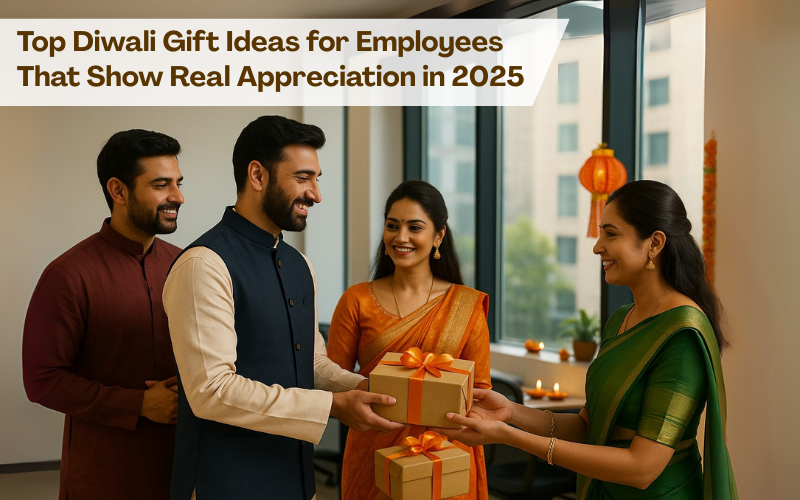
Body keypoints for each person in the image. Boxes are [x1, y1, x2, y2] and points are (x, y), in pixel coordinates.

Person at [438, 180, 738, 499]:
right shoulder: (621, 319)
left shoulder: (682, 333)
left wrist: (507, 436)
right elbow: (588, 426)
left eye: (611, 234)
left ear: (654, 243)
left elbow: (642, 469)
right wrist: (510, 412)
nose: (597, 247)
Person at [163, 115, 403, 500]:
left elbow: (311, 362)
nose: (316, 194)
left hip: (296, 480)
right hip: (223, 484)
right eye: (303, 178)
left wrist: (367, 389)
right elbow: (212, 390)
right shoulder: (203, 264)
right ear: (257, 175)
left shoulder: (300, 265)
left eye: (317, 179)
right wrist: (332, 406)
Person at [22, 129, 185, 500]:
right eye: (161, 184)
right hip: (104, 476)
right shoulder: (68, 275)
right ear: (118, 190)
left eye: (178, 183)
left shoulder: (185, 264)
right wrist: (139, 404)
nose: (178, 196)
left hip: (183, 471)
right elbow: (42, 380)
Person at [327, 180, 492, 500]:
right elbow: (334, 380)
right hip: (374, 450)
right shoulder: (357, 300)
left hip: (446, 455)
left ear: (439, 236)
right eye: (393, 226)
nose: (400, 237)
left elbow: (480, 392)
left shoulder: (466, 304)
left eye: (414, 227)